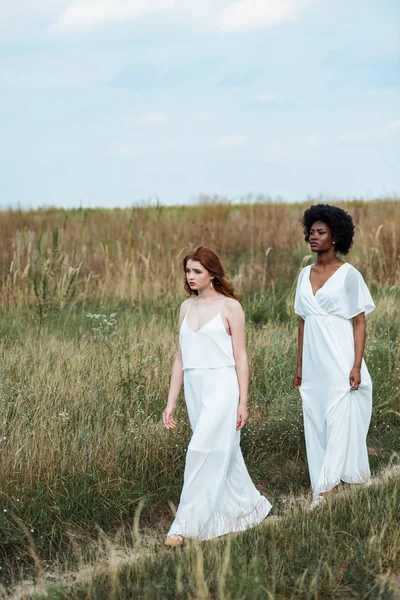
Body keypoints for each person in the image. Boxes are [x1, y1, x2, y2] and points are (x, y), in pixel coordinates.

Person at [163, 246, 271, 546]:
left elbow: (241, 356)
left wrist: (243, 402)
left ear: (212, 273)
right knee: (225, 453)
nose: (191, 276)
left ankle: (183, 527)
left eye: (197, 271)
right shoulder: (185, 308)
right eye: (188, 271)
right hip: (196, 390)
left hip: (223, 386)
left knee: (199, 450)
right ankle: (248, 508)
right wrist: (171, 402)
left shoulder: (231, 308)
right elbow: (180, 359)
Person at [293, 204, 375, 508]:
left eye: (321, 232)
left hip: (340, 357)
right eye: (311, 232)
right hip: (314, 363)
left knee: (339, 417)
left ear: (336, 237)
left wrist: (355, 365)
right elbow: (302, 321)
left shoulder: (349, 275)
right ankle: (322, 482)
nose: (313, 237)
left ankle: (326, 490)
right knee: (315, 420)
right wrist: (299, 365)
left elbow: (359, 322)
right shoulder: (304, 275)